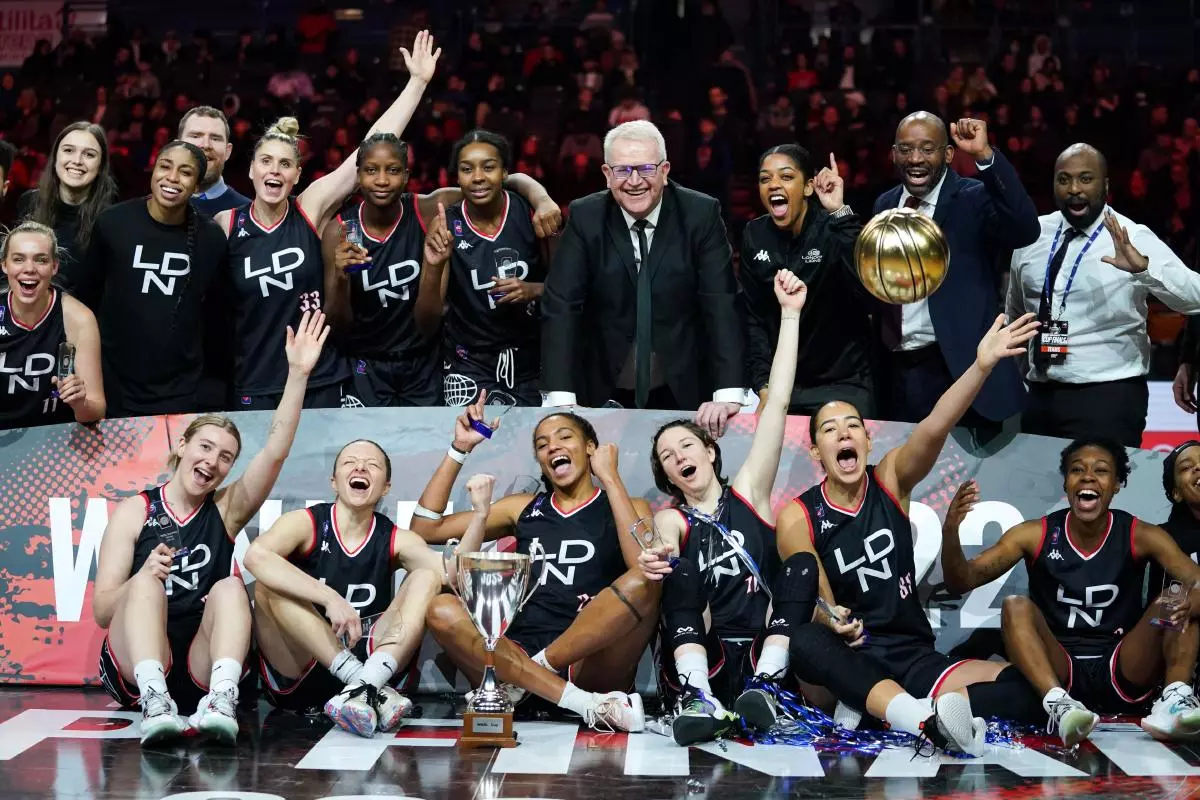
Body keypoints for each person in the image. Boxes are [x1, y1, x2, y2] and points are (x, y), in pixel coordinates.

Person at [774, 311, 1042, 744]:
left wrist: (982, 365)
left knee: (1025, 689)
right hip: (852, 655)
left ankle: (895, 714)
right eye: (829, 429)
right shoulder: (798, 514)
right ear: (815, 452)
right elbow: (816, 596)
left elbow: (936, 425)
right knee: (803, 641)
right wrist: (834, 617)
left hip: (911, 654)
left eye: (853, 426)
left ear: (867, 441)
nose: (843, 433)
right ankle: (911, 715)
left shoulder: (890, 479)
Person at [93, 311, 329, 745]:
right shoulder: (135, 510)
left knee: (231, 587)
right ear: (182, 446)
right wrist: (141, 576)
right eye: (205, 446)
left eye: (225, 457)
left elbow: (275, 452)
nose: (212, 461)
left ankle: (222, 698)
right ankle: (155, 701)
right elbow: (104, 611)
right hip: (143, 662)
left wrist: (297, 374)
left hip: (200, 662)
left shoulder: (225, 509)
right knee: (144, 585)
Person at [214, 30, 440, 411]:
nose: (274, 171)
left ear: (297, 175)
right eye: (265, 162)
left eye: (285, 164)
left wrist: (416, 84)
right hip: (254, 381)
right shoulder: (224, 223)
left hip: (322, 380)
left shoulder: (310, 207)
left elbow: (370, 150)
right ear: (250, 169)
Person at [414, 398, 656, 731]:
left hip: (587, 663)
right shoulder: (522, 508)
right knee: (441, 608)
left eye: (564, 437)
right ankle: (583, 705)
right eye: (542, 445)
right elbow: (426, 527)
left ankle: (533, 674)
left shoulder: (628, 505)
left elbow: (643, 564)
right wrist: (460, 448)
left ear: (590, 448)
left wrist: (611, 479)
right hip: (512, 652)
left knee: (647, 578)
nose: (552, 446)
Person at [940, 437, 1200, 745]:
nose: (1088, 476)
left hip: (1122, 666)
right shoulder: (1034, 533)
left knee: (1177, 597)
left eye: (1101, 470)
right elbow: (961, 581)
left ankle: (1174, 701)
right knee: (1014, 605)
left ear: (1117, 484)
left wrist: (1191, 600)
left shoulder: (1140, 533)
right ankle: (1059, 707)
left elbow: (1196, 580)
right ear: (1066, 484)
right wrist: (950, 531)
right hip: (1061, 669)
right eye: (1077, 469)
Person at [637, 269, 804, 745]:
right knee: (682, 572)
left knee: (800, 568)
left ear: (710, 451)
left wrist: (789, 315)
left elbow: (778, 406)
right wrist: (660, 554)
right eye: (668, 457)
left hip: (759, 657)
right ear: (667, 477)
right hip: (703, 656)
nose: (680, 457)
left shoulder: (750, 493)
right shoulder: (673, 516)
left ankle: (769, 685)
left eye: (687, 446)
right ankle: (698, 698)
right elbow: (664, 540)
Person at [540, 120, 745, 438]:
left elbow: (721, 302)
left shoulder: (700, 215)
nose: (634, 181)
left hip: (684, 384)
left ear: (665, 170)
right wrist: (561, 399)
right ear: (607, 175)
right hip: (602, 386)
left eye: (645, 169)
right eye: (622, 171)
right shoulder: (586, 217)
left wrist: (728, 392)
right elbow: (561, 306)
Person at [323, 132, 560, 407]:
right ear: (358, 176)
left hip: (424, 364)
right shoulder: (339, 232)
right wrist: (340, 277)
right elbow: (336, 326)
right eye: (371, 171)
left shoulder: (427, 209)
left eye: (393, 170)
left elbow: (504, 183)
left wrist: (541, 197)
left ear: (407, 174)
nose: (382, 180)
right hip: (365, 364)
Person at [244, 439, 450, 737]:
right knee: (268, 583)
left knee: (426, 577)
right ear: (334, 482)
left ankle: (366, 683)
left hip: (371, 655)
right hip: (306, 664)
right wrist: (329, 598)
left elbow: (449, 573)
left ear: (386, 487)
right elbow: (256, 556)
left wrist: (480, 515)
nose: (361, 467)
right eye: (350, 461)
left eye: (373, 464)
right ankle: (361, 684)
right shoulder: (306, 522)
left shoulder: (394, 536)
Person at [1007, 143, 1200, 447]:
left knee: (1103, 494)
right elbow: (1017, 317)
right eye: (1064, 179)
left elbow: (1195, 297)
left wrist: (1143, 268)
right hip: (1040, 396)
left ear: (1105, 186)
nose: (1074, 189)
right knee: (1035, 492)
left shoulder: (1132, 237)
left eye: (1086, 179)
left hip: (1109, 398)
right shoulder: (1032, 236)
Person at [874, 114, 1039, 432]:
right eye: (906, 149)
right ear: (894, 153)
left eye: (927, 148)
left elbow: (1025, 228)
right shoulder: (884, 205)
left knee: (970, 483)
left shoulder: (973, 198)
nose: (916, 159)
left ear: (948, 154)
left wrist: (985, 157)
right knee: (902, 479)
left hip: (960, 368)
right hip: (897, 374)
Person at [81, 141, 228, 418]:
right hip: (112, 385)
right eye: (165, 166)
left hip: (180, 392)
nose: (172, 178)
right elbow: (87, 298)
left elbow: (216, 317)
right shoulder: (113, 223)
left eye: (185, 172)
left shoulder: (210, 239)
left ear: (197, 186)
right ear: (153, 171)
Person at [413, 130, 555, 408]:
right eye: (467, 169)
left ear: (505, 173)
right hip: (469, 364)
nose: (478, 177)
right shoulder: (445, 225)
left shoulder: (531, 212)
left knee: (531, 447)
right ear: (457, 177)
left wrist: (534, 290)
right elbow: (425, 322)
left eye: (488, 167)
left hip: (533, 359)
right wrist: (433, 266)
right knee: (477, 444)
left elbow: (570, 291)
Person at [738, 145, 872, 416]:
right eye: (765, 179)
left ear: (809, 187)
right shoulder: (755, 234)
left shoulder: (833, 227)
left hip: (843, 382)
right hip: (783, 385)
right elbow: (754, 319)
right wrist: (764, 386)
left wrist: (839, 211)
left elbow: (866, 289)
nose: (774, 184)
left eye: (786, 177)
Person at [0, 221, 104, 429]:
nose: (29, 269)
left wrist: (79, 403)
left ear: (54, 266)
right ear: (4, 265)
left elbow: (96, 410)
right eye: (18, 259)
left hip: (53, 436)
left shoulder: (79, 319)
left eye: (41, 260)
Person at [18, 122, 118, 295]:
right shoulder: (29, 202)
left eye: (89, 154)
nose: (77, 161)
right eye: (68, 150)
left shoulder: (111, 220)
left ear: (101, 166)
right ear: (55, 157)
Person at [179, 105, 250, 217]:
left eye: (215, 138)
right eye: (196, 136)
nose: (206, 145)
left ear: (228, 151)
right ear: (177, 147)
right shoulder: (148, 209)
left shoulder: (249, 214)